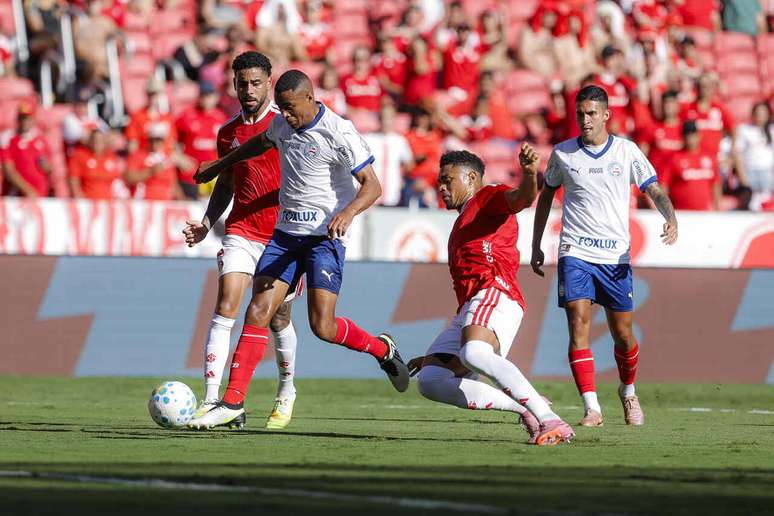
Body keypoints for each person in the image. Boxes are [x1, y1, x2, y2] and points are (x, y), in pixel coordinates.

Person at [187, 69, 410, 429]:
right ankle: (231, 402)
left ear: (310, 98)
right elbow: (260, 142)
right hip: (285, 236)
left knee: (322, 326)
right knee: (258, 310)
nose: (286, 117)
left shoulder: (339, 132)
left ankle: (382, 350)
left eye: (291, 109)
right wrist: (220, 165)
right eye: (282, 109)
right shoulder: (281, 125)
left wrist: (347, 213)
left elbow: (372, 186)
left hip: (324, 239)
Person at [531, 85, 678, 427]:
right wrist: (537, 243)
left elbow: (653, 188)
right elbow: (546, 197)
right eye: (580, 113)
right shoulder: (563, 154)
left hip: (615, 257)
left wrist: (670, 218)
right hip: (575, 251)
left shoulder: (626, 152)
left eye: (592, 113)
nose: (585, 119)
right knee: (577, 321)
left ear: (606, 115)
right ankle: (591, 408)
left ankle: (628, 391)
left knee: (623, 334)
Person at [407, 148, 575, 446]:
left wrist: (528, 173)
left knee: (474, 354)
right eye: (439, 181)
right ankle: (527, 408)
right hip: (472, 306)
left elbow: (522, 199)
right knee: (431, 380)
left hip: (496, 291)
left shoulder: (488, 197)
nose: (441, 188)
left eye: (447, 180)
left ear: (471, 177)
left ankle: (552, 422)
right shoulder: (463, 220)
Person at [183, 52, 303, 430]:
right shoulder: (227, 132)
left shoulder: (288, 126)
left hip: (283, 236)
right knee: (226, 303)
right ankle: (212, 399)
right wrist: (206, 222)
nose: (248, 90)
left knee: (278, 316)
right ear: (233, 84)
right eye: (242, 83)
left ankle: (286, 390)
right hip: (242, 230)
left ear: (270, 83)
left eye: (255, 83)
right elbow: (228, 185)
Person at [663, 120, 721, 211]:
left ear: (699, 135)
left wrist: (717, 208)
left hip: (705, 212)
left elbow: (715, 184)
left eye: (693, 135)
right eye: (687, 136)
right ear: (682, 137)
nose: (690, 139)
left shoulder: (710, 157)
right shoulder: (674, 158)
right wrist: (667, 210)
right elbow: (664, 185)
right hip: (682, 212)